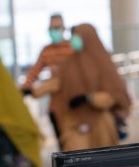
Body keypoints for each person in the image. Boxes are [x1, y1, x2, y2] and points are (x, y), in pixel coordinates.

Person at [51, 23, 131, 151]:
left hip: (101, 122)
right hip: (75, 122)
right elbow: (56, 83)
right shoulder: (69, 63)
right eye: (73, 37)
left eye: (76, 36)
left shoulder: (103, 61)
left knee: (103, 161)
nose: (73, 40)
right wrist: (33, 90)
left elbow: (115, 94)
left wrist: (89, 98)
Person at [21, 13, 73, 140]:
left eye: (56, 28)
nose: (53, 32)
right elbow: (34, 71)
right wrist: (25, 87)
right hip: (55, 102)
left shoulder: (72, 47)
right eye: (51, 29)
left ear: (63, 28)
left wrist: (39, 90)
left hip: (73, 99)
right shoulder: (46, 50)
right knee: (61, 140)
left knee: (74, 140)